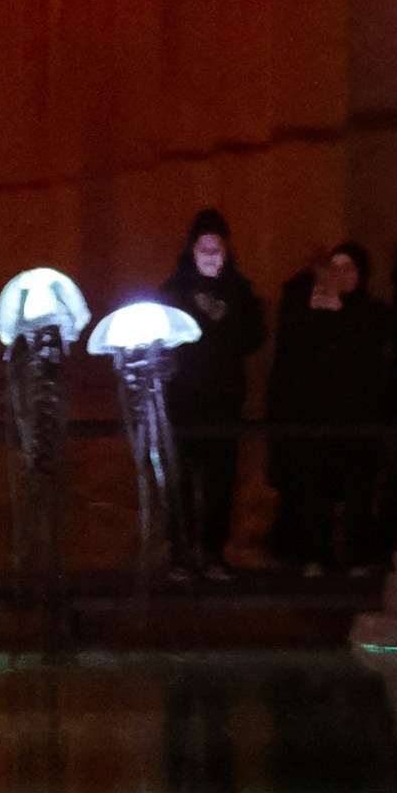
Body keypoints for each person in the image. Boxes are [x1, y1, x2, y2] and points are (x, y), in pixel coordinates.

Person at [265, 239, 389, 577]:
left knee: (357, 492)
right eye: (335, 267)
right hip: (315, 419)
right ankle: (314, 557)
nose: (342, 275)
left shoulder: (371, 312)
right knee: (314, 491)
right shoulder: (308, 310)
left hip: (358, 420)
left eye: (349, 268)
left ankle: (359, 558)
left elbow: (368, 354)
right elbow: (296, 357)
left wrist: (341, 314)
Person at [160, 210, 267, 567]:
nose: (210, 256)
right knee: (181, 482)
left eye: (216, 249)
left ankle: (213, 553)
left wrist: (224, 316)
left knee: (221, 482)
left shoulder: (240, 291)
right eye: (203, 248)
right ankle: (180, 552)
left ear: (226, 251)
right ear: (192, 250)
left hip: (223, 404)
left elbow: (255, 339)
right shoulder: (173, 291)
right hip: (181, 403)